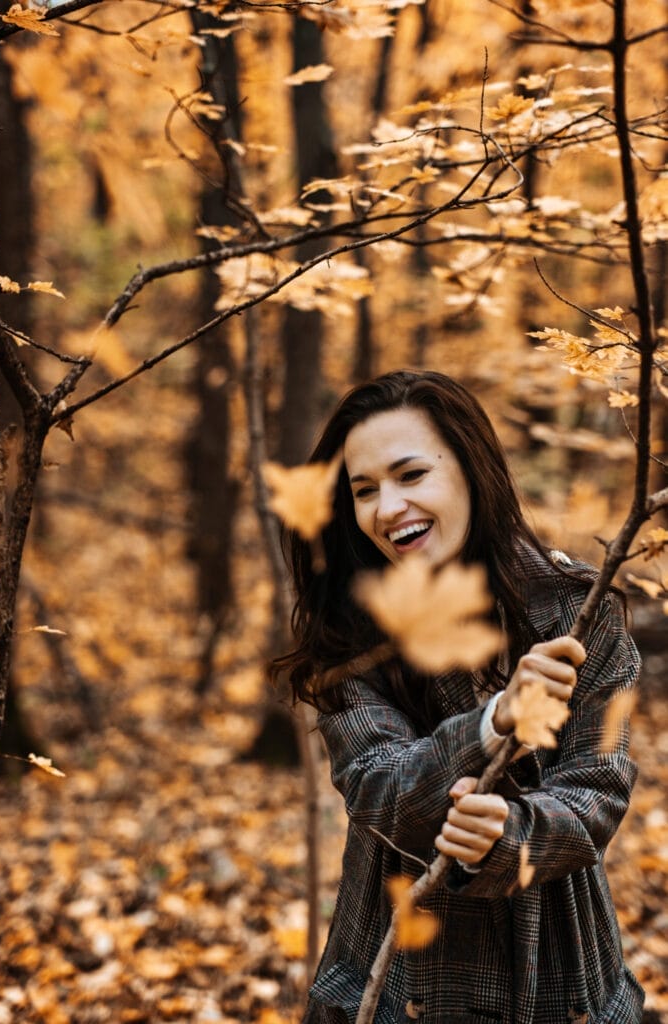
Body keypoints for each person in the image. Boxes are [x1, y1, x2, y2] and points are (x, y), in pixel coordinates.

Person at [270, 370, 644, 1024]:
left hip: (561, 978)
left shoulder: (578, 609)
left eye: (410, 475)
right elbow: (376, 783)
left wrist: (511, 834)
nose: (386, 508)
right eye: (363, 491)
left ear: (472, 470)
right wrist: (493, 723)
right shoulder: (352, 634)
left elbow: (598, 787)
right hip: (403, 980)